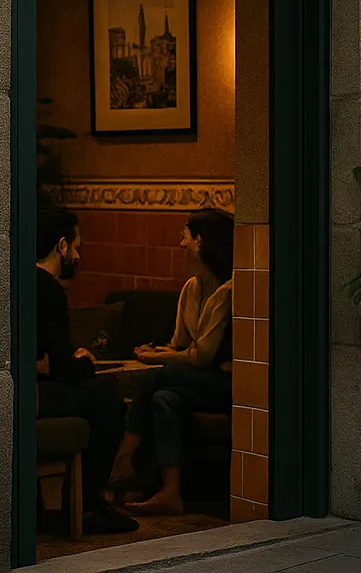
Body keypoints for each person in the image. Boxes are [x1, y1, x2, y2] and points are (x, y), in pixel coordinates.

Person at [117, 208, 236, 517]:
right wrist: (154, 350)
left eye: (185, 235)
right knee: (163, 398)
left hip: (223, 382)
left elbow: (202, 355)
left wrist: (156, 360)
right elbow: (179, 345)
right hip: (193, 379)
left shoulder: (230, 290)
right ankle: (170, 491)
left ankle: (122, 458)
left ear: (202, 241)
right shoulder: (192, 287)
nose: (180, 243)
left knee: (152, 378)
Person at [35, 209, 139, 535]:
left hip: (30, 387)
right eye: (77, 247)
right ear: (61, 246)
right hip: (38, 396)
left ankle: (82, 500)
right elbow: (65, 369)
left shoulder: (21, 280)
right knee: (107, 398)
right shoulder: (49, 290)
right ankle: (87, 501)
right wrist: (86, 362)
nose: (78, 256)